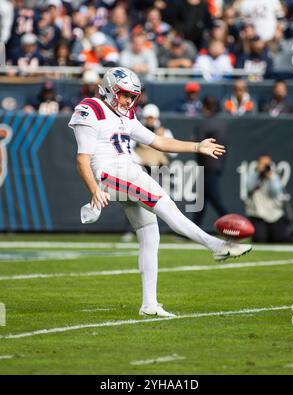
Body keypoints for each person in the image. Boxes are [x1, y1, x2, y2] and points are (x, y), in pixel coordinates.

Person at [68, 67, 252, 317]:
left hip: (124, 171)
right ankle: (216, 245)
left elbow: (158, 141)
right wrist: (94, 189)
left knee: (149, 232)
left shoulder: (126, 116)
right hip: (111, 172)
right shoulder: (91, 109)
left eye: (132, 96)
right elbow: (82, 159)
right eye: (124, 95)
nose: (129, 101)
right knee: (166, 204)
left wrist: (197, 146)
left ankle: (149, 304)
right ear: (110, 90)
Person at [193, 96, 228, 226]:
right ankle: (194, 229)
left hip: (207, 166)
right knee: (201, 201)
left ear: (205, 107)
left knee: (214, 199)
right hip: (217, 166)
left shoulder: (204, 124)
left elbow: (197, 144)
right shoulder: (222, 124)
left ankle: (234, 223)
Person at [245, 154, 289, 243]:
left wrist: (270, 177)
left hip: (274, 215)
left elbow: (275, 192)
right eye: (262, 164)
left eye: (266, 164)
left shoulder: (274, 177)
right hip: (258, 216)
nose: (264, 166)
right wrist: (258, 174)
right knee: (259, 239)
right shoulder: (253, 176)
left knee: (280, 240)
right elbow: (249, 187)